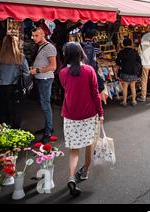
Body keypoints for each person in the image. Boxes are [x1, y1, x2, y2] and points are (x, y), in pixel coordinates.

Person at [59, 42, 104, 197]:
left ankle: (71, 177)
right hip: (89, 114)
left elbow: (67, 89)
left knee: (74, 149)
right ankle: (84, 171)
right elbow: (95, 94)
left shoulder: (62, 72)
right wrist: (101, 113)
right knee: (89, 144)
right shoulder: (89, 70)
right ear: (81, 53)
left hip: (70, 115)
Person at [0, 34, 30, 128]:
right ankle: (15, 132)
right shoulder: (20, 57)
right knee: (15, 111)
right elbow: (26, 73)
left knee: (1, 110)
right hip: (15, 88)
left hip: (0, 87)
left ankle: (2, 131)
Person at [30, 27, 57, 143]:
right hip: (42, 79)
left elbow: (53, 67)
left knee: (45, 105)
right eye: (33, 36)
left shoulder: (49, 47)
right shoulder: (41, 46)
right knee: (44, 104)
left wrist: (37, 71)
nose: (33, 38)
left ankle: (48, 132)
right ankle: (48, 127)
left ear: (42, 35)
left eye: (36, 35)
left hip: (45, 79)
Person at [116, 38, 141, 107]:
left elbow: (117, 61)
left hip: (125, 71)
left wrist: (121, 64)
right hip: (133, 71)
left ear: (123, 44)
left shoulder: (121, 52)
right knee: (133, 87)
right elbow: (139, 61)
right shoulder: (134, 51)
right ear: (131, 44)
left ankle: (124, 101)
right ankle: (134, 101)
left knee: (125, 87)